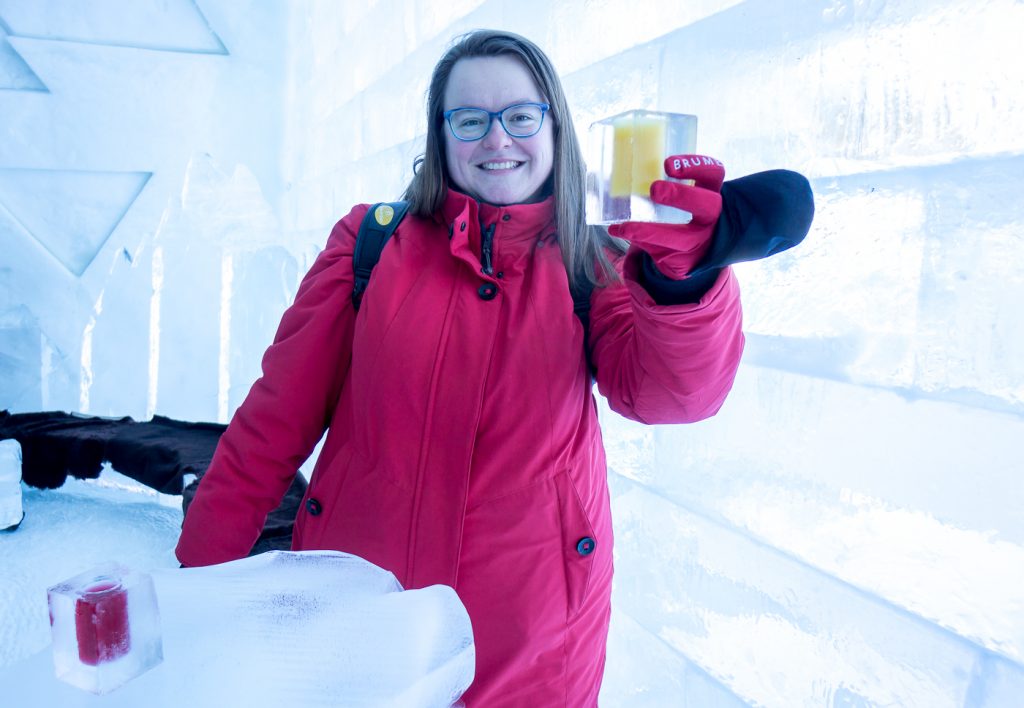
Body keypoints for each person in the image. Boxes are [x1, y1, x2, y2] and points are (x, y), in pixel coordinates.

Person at [176, 29, 813, 706]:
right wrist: (192, 599)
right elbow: (268, 431)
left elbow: (669, 397)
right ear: (441, 135)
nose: (497, 140)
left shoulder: (594, 258)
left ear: (554, 127)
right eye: (471, 119)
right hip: (358, 630)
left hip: (531, 650)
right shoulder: (369, 243)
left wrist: (683, 277)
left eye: (519, 116)